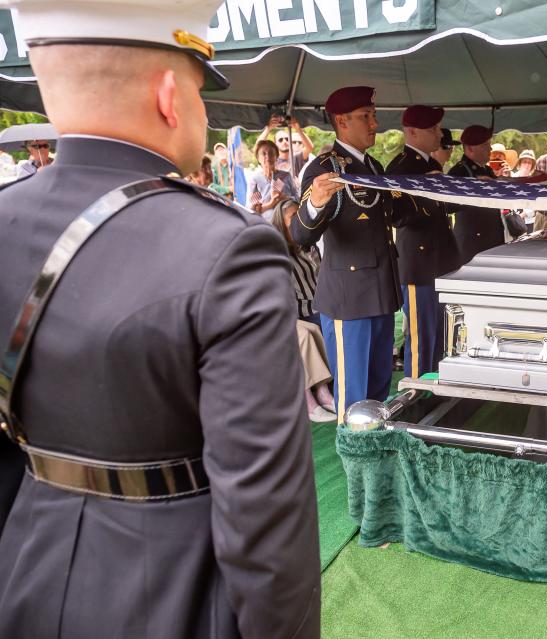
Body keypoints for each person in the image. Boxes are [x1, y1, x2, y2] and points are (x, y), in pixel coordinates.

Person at [0, 1, 320, 637]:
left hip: (25, 569)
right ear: (172, 95)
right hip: (171, 590)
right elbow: (265, 519)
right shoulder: (230, 248)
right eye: (202, 91)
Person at [291, 86, 402, 424]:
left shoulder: (372, 165)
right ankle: (356, 467)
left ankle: (377, 453)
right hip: (349, 297)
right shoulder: (324, 168)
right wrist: (316, 202)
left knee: (378, 387)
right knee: (353, 395)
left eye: (373, 114)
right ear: (342, 121)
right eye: (366, 116)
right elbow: (300, 234)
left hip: (381, 290)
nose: (375, 123)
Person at [387, 105, 461, 379]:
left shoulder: (431, 165)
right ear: (412, 132)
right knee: (421, 338)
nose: (439, 133)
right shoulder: (401, 167)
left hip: (441, 260)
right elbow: (395, 215)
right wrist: (426, 192)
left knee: (441, 335)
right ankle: (418, 393)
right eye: (432, 128)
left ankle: (435, 389)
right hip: (420, 264)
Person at [271, 198, 337, 421]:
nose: (299, 220)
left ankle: (325, 391)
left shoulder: (309, 247)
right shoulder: (278, 254)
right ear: (281, 223)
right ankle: (317, 396)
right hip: (295, 314)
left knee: (331, 324)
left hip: (318, 308)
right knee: (312, 332)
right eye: (292, 217)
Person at [449, 125, 507, 264]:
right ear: (470, 148)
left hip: (492, 238)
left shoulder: (487, 170)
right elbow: (448, 206)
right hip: (472, 243)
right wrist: (473, 187)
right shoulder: (459, 172)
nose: (491, 149)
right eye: (486, 145)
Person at [247, 139, 297, 219]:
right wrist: (271, 203)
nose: (267, 157)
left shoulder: (286, 176)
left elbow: (297, 199)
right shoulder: (255, 179)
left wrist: (285, 198)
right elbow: (252, 209)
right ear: (258, 158)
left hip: (287, 220)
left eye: (271, 153)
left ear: (276, 156)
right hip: (267, 224)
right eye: (263, 154)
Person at [513, 149, 537, 232]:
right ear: (519, 164)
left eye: (529, 162)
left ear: (532, 166)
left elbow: (536, 202)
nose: (526, 165)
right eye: (524, 162)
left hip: (529, 221)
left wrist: (523, 214)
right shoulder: (511, 178)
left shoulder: (535, 182)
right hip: (512, 220)